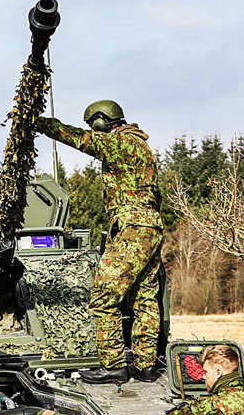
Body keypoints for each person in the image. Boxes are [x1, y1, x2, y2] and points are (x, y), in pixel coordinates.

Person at [36, 100, 163, 383]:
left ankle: (114, 365)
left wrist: (41, 123)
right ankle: (145, 365)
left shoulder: (121, 143)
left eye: (94, 126)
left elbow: (79, 140)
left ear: (102, 122)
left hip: (133, 228)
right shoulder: (140, 146)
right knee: (144, 298)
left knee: (104, 297)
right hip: (150, 228)